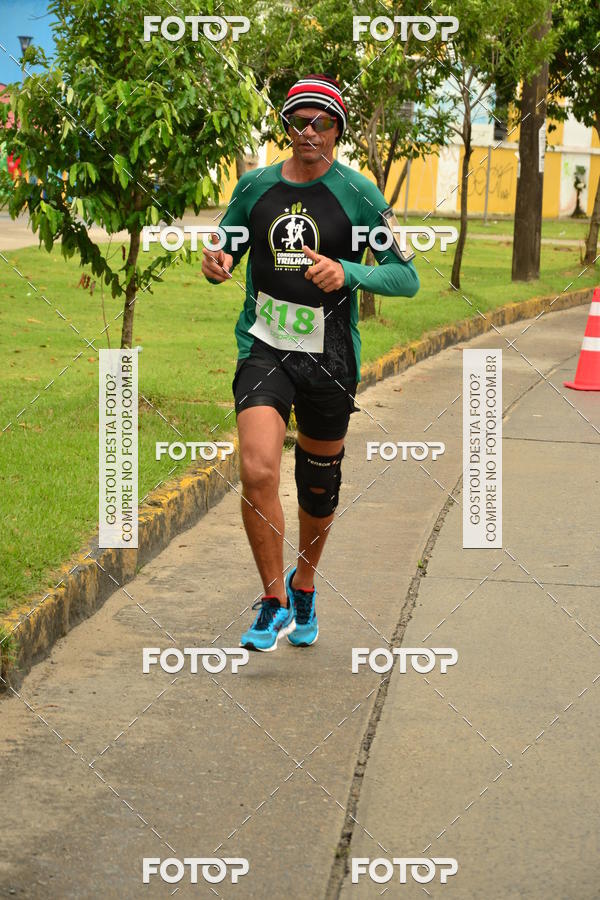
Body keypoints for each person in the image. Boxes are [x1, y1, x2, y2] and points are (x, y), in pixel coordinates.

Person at [202, 74, 419, 651]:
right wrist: (217, 262)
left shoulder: (361, 195)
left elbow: (407, 276)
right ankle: (273, 602)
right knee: (258, 470)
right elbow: (226, 246)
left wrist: (350, 272)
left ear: (338, 130)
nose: (310, 132)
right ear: (288, 129)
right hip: (265, 348)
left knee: (317, 491)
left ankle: (304, 584)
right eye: (300, 121)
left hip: (331, 357)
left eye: (322, 122)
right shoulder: (254, 189)